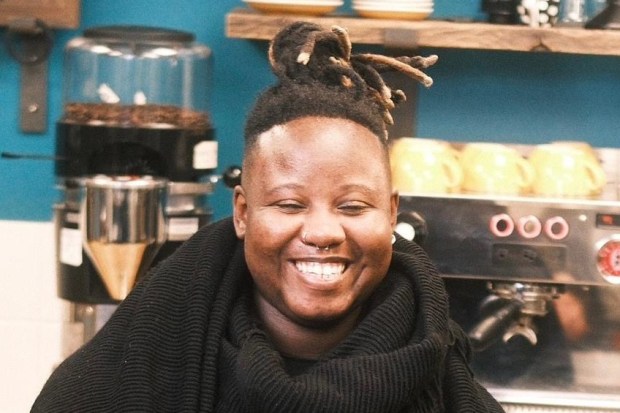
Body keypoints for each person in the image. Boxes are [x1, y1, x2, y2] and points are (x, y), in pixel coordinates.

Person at [32, 21, 504, 412]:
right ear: (242, 212)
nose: (322, 232)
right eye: (289, 204)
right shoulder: (135, 365)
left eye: (353, 206)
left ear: (391, 212)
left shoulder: (441, 373)